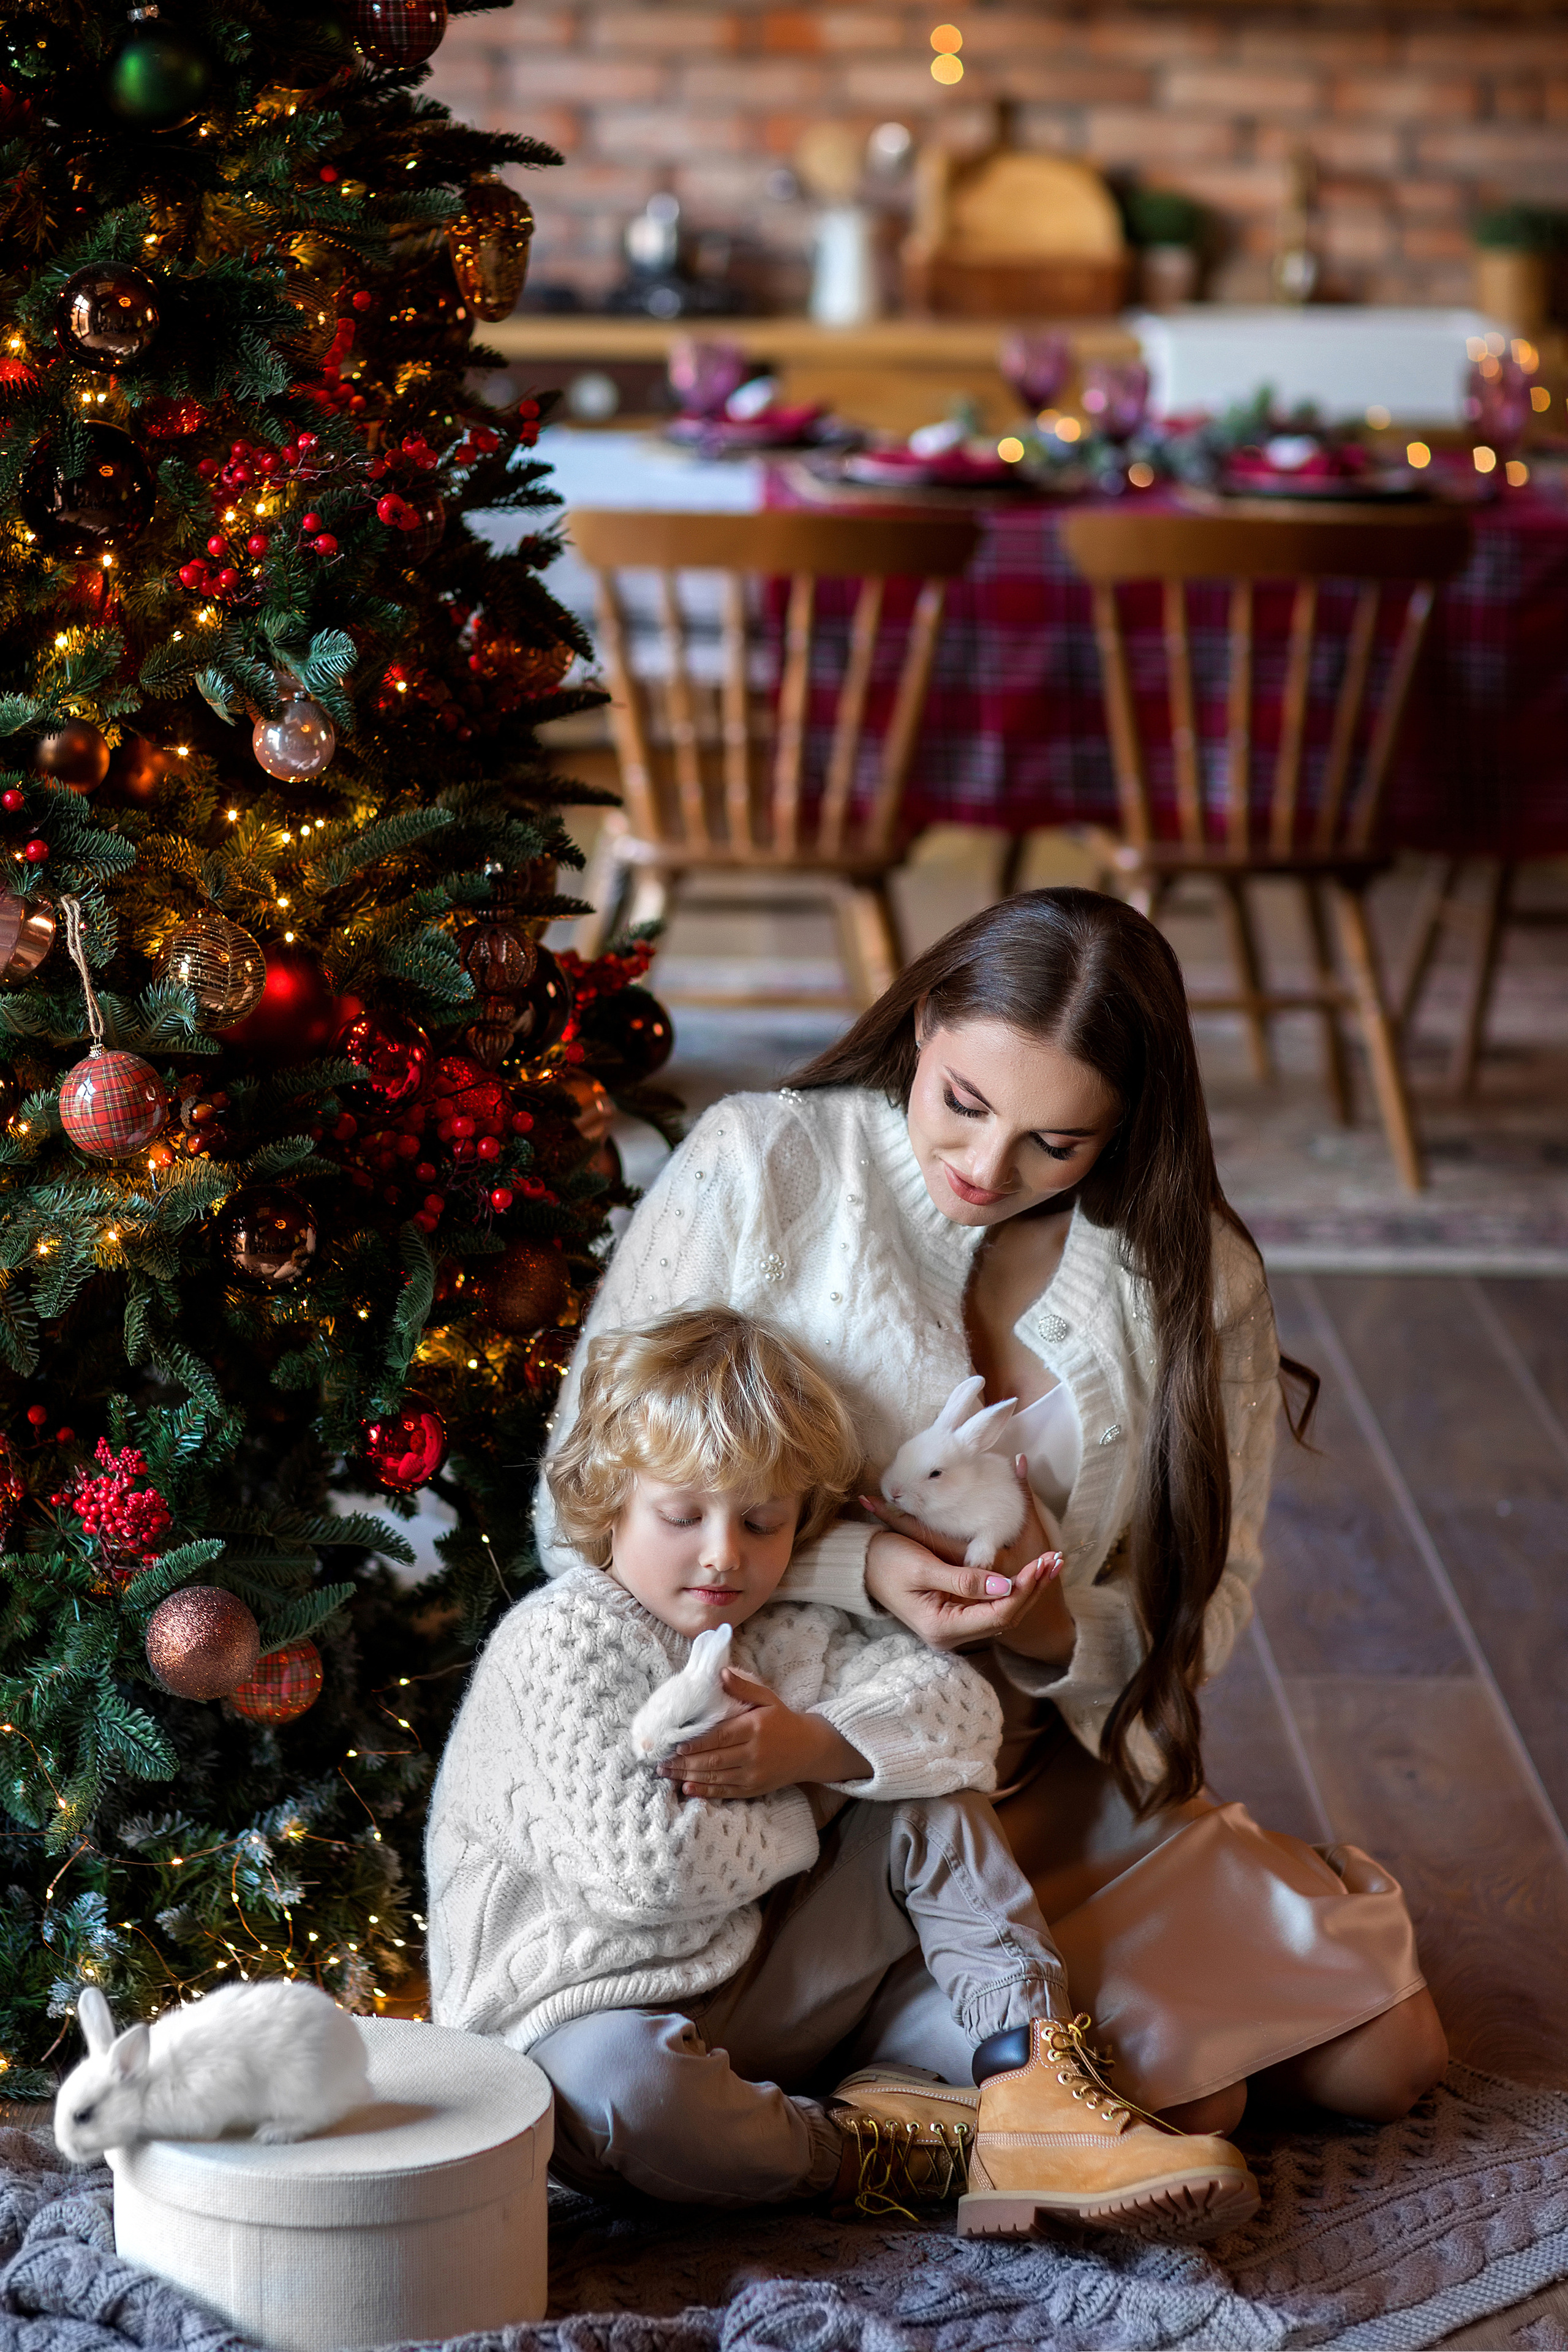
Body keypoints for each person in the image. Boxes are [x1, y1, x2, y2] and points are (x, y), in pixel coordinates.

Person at [537, 889, 1446, 2135]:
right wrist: (862, 1570)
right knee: (1200, 2098)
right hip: (806, 1785)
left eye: (1053, 1144)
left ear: (1123, 1130)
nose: (982, 1166)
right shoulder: (760, 1161)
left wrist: (1042, 1620)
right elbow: (576, 1513)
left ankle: (971, 2065)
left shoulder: (1191, 1276)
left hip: (1044, 1770)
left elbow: (1209, 1604)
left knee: (1382, 2062)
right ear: (921, 1024)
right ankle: (978, 2068)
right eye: (962, 1103)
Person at [431, 1306, 1259, 2234]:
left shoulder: (788, 1623)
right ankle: (883, 2152)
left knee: (925, 1778)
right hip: (586, 2019)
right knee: (629, 2092)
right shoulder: (565, 1637)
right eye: (681, 1514)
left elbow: (962, 1720)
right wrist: (818, 1796)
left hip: (776, 1987)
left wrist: (815, 1748)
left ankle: (1034, 2086)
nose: (723, 1554)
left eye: (761, 1521)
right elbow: (658, 1870)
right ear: (610, 1501)